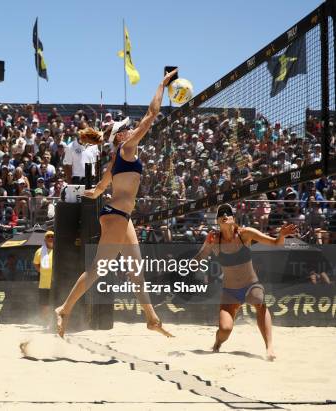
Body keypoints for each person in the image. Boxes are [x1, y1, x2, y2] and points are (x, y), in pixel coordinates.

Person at [55, 69, 180, 338]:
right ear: (122, 134)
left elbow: (99, 189)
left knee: (136, 271)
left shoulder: (116, 159)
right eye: (127, 127)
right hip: (116, 215)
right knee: (98, 269)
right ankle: (64, 309)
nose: (132, 127)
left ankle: (151, 318)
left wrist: (85, 193)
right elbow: (151, 116)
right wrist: (161, 84)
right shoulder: (126, 148)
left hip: (120, 216)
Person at [192, 203, 298, 361]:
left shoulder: (245, 234)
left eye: (228, 213)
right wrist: (206, 244)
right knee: (225, 329)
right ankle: (217, 344)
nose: (225, 215)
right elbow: (196, 261)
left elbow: (275, 243)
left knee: (259, 302)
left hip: (250, 285)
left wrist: (281, 235)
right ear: (218, 221)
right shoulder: (214, 239)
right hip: (230, 291)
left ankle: (269, 347)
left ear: (233, 218)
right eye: (221, 214)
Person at [33, 231, 54, 324]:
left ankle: (53, 322)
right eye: (48, 236)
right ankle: (45, 322)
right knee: (44, 305)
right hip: (44, 283)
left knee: (55, 303)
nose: (50, 238)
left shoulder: (59, 250)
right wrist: (42, 271)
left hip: (56, 283)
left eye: (52, 236)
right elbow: (36, 264)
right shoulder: (39, 251)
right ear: (45, 239)